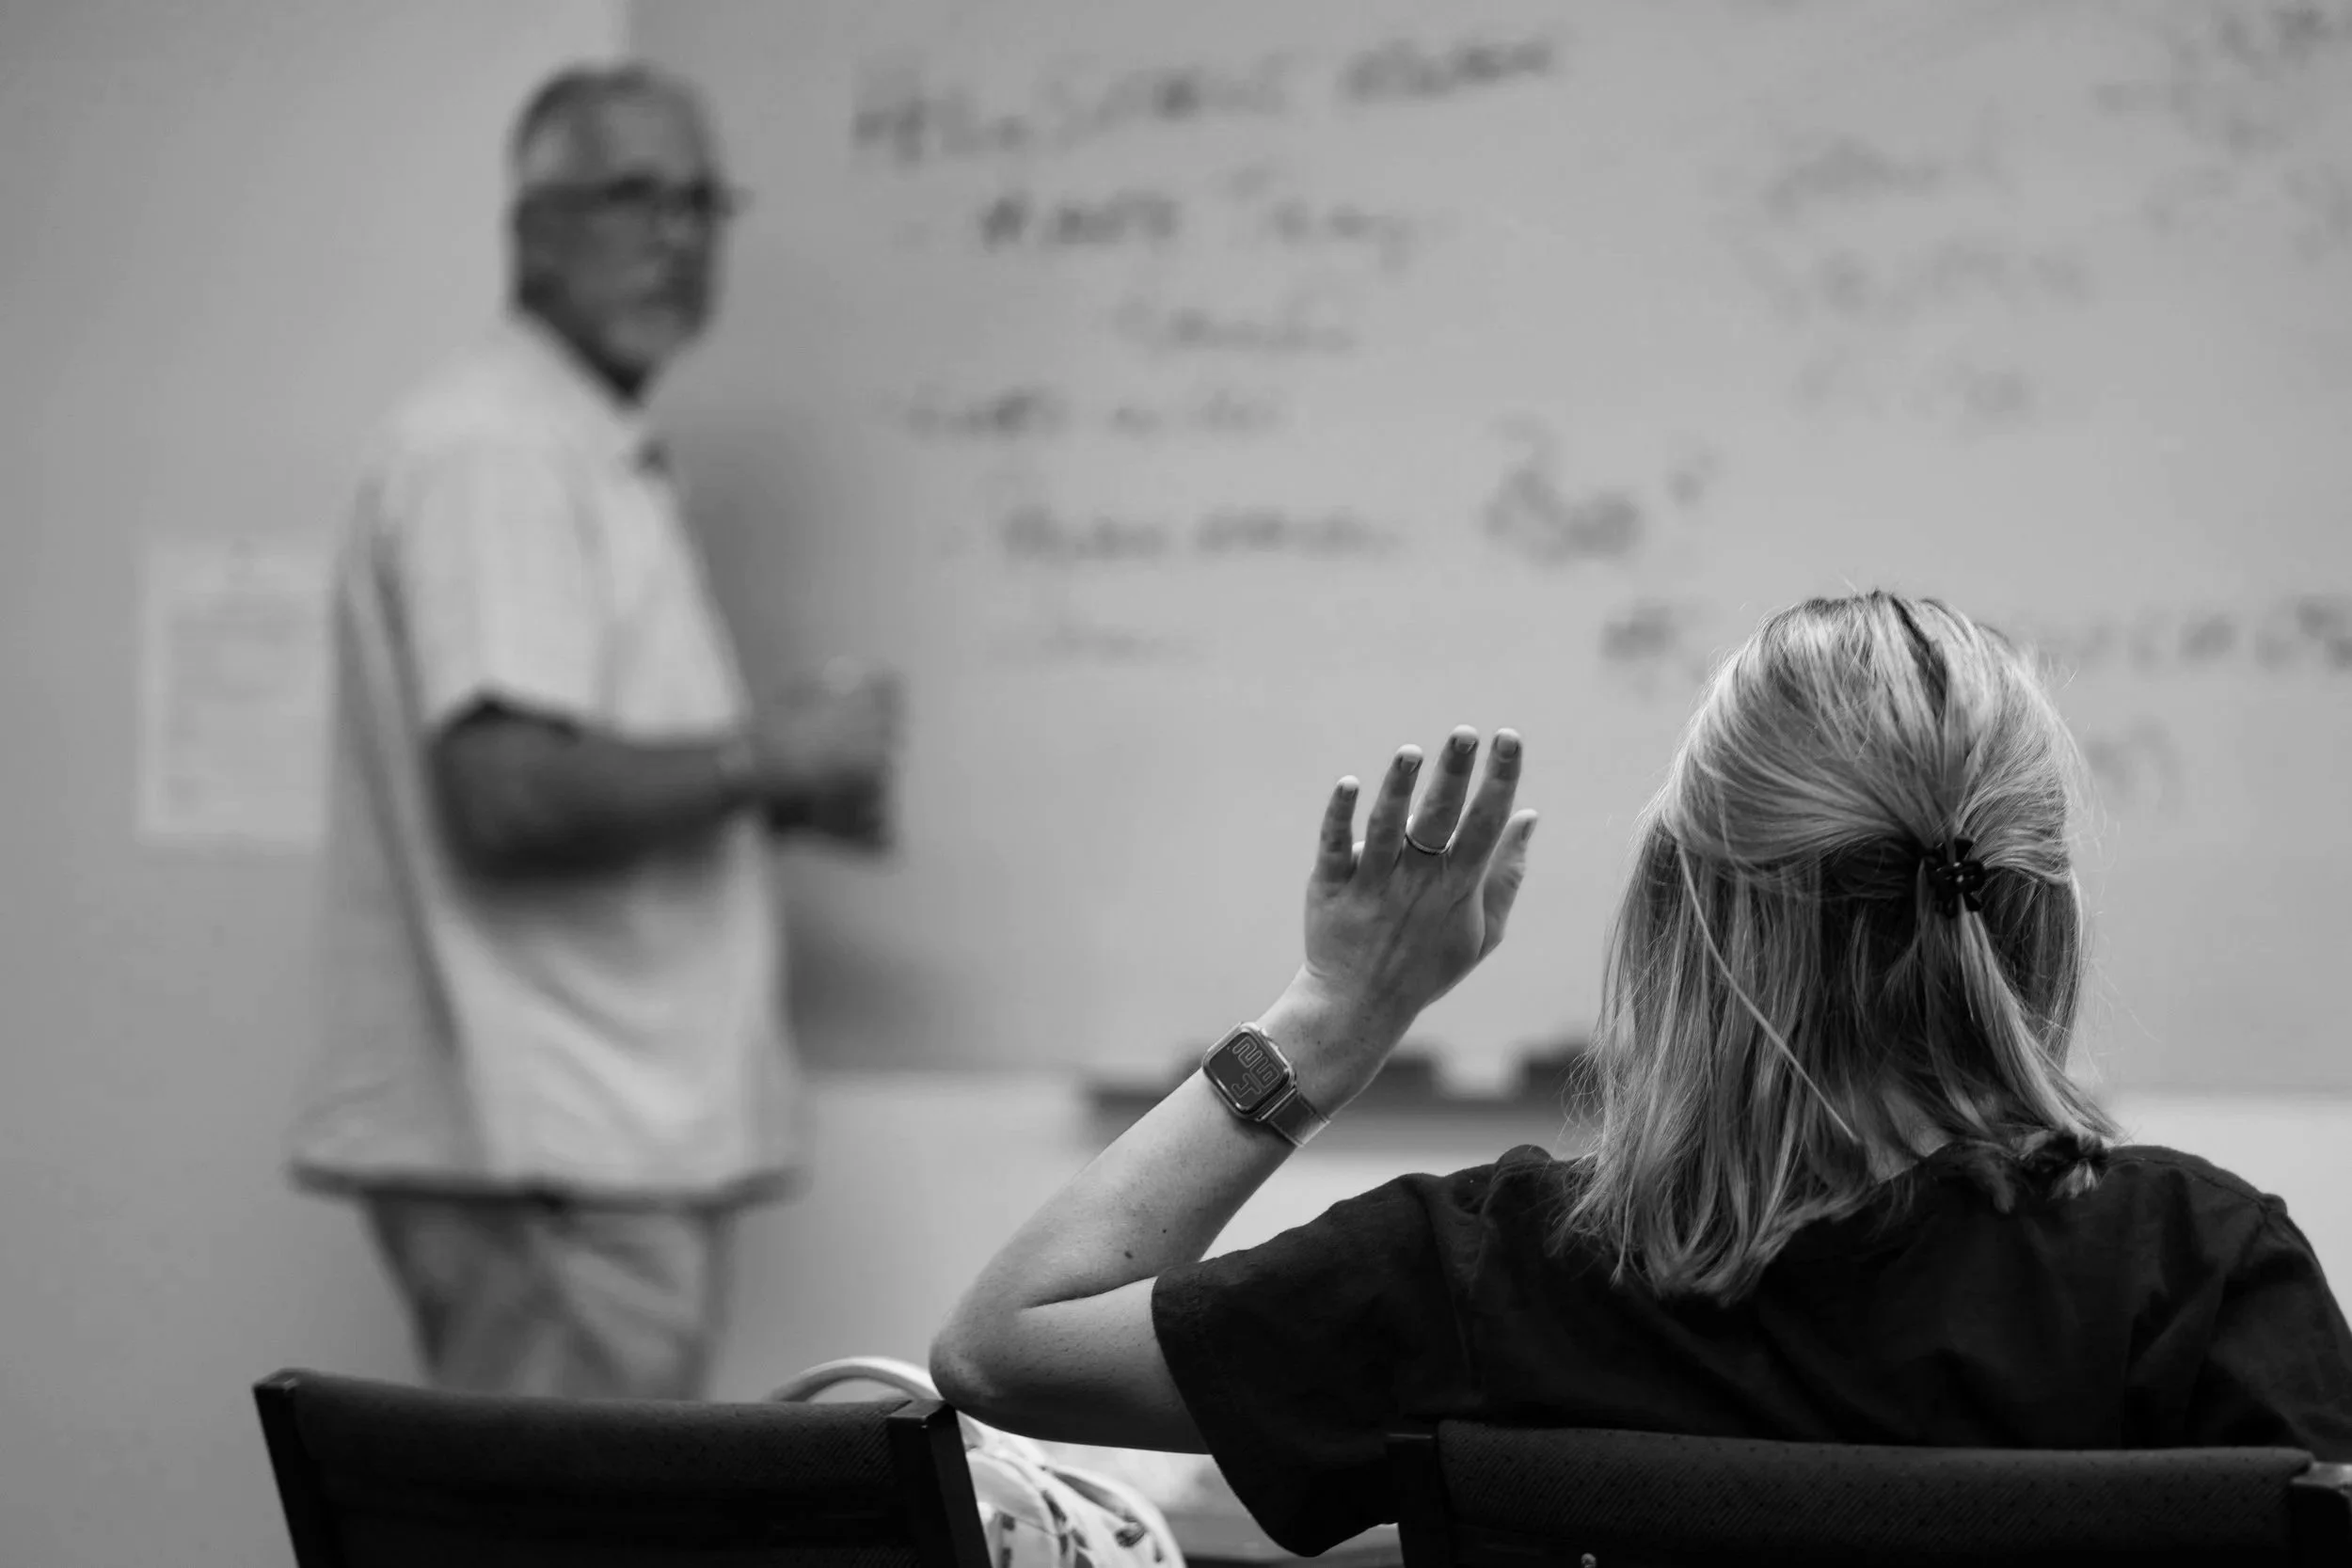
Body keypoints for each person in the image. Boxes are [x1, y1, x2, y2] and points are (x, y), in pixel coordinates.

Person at [930, 591, 2352, 1554]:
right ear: (2037, 909)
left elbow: (1002, 1345)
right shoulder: (2201, 1268)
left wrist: (1341, 1013)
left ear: (1682, 906)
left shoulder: (1500, 1271)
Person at [286, 64, 898, 1401]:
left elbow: (552, 760)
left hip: (578, 1147)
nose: (674, 235)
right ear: (531, 228)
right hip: (551, 1152)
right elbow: (504, 792)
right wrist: (765, 758)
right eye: (631, 195)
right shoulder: (499, 447)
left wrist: (768, 792)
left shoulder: (572, 435)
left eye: (699, 203)